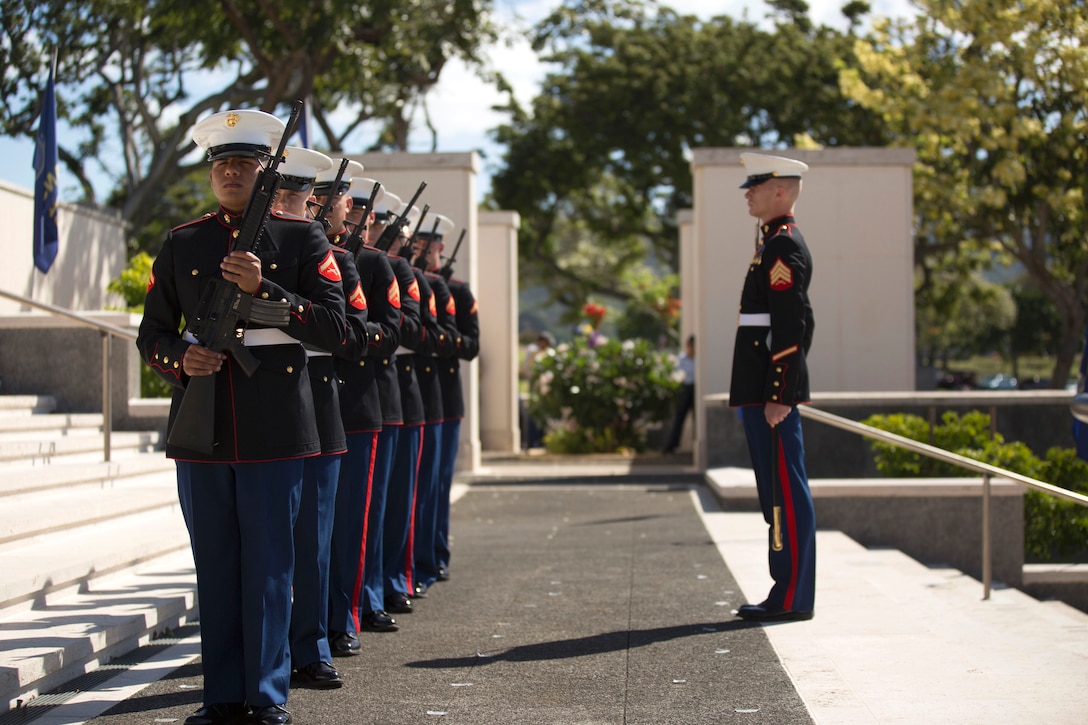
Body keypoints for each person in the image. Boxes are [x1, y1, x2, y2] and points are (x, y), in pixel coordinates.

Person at [137, 109, 347, 725]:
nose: (231, 172)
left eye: (245, 164)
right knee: (218, 565)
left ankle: (266, 694)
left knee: (269, 566)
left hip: (274, 426)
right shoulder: (182, 242)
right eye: (221, 164)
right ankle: (222, 695)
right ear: (210, 175)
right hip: (202, 427)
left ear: (266, 173)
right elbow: (151, 332)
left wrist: (268, 293)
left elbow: (336, 329)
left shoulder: (304, 240)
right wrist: (181, 358)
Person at [729, 152, 816, 623]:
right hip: (760, 387)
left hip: (771, 394)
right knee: (775, 491)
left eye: (756, 186)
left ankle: (792, 595)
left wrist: (781, 392)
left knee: (786, 491)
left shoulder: (782, 247)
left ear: (780, 191)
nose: (748, 193)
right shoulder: (770, 245)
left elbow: (793, 323)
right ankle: (785, 589)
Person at [662, 334, 696, 454]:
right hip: (684, 389)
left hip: (695, 390)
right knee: (679, 418)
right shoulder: (681, 360)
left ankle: (696, 445)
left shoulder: (699, 360)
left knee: (697, 420)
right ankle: (672, 445)